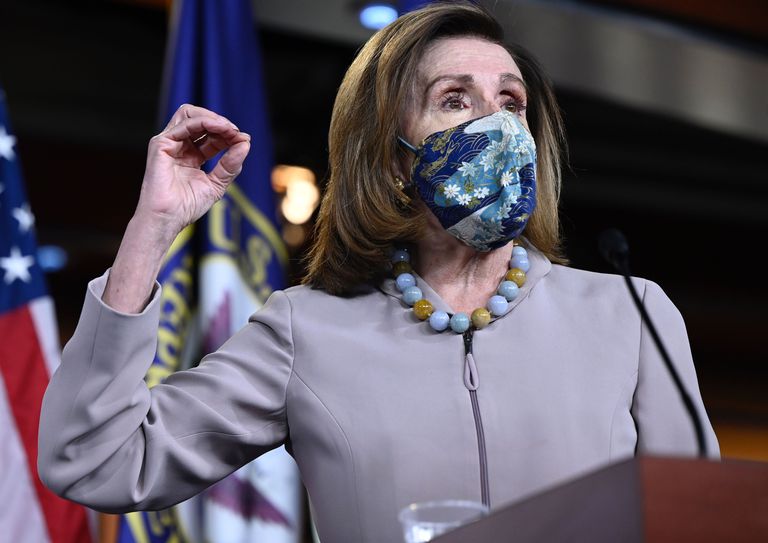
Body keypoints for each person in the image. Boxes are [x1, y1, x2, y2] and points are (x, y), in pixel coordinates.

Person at [38, 2, 719, 542]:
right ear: (394, 156)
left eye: (511, 102)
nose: (499, 124)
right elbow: (93, 459)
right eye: (455, 99)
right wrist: (151, 230)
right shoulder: (306, 328)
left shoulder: (630, 313)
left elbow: (703, 522)